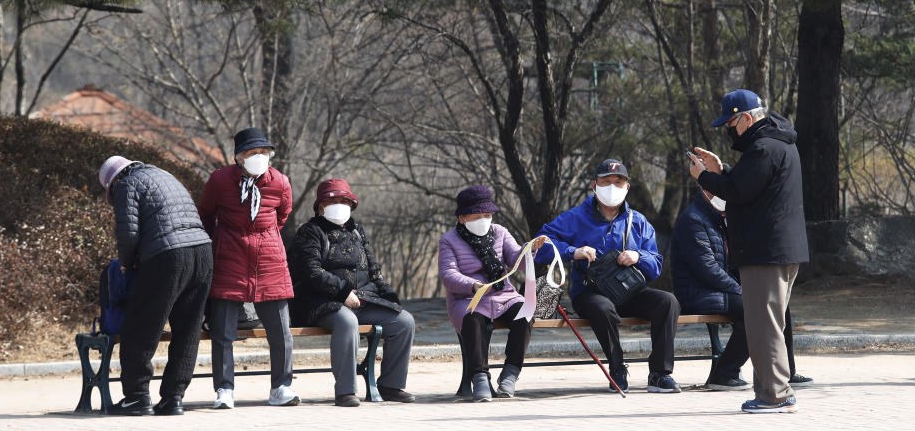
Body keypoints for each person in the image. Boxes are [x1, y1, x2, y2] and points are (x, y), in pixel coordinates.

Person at [688, 88, 809, 413]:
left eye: (730, 122)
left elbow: (737, 192)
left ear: (744, 118)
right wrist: (721, 170)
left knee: (762, 324)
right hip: (779, 249)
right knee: (770, 322)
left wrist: (705, 177)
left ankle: (774, 395)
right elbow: (749, 184)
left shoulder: (763, 149)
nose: (729, 129)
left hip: (764, 251)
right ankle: (778, 389)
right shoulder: (777, 143)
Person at [535, 159, 681, 394]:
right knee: (603, 308)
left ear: (627, 187)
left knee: (668, 302)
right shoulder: (574, 217)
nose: (612, 187)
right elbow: (538, 246)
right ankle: (617, 368)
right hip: (590, 293)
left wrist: (638, 256)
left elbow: (655, 266)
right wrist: (574, 251)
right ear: (594, 185)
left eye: (618, 181)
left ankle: (660, 374)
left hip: (630, 291)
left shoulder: (639, 222)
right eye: (606, 181)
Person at [671, 179, 813, 390]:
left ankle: (787, 371)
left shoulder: (721, 218)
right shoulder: (693, 220)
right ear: (706, 191)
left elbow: (735, 262)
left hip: (721, 291)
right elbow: (707, 269)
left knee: (778, 301)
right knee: (757, 309)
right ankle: (724, 373)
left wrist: (755, 285)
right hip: (699, 293)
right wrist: (743, 290)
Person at [98, 156, 213, 416]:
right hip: (203, 252)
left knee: (140, 327)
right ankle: (173, 398)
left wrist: (127, 263)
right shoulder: (164, 175)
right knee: (188, 328)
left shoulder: (127, 185)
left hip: (168, 255)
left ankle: (137, 397)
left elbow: (128, 233)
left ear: (114, 181)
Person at [197, 128, 299, 409]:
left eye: (263, 153)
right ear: (238, 157)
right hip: (228, 257)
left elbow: (283, 215)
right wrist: (215, 243)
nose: (258, 157)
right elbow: (205, 213)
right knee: (223, 331)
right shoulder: (220, 180)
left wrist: (263, 237)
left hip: (270, 261)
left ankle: (281, 387)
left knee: (281, 331)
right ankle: (224, 389)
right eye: (252, 153)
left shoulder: (280, 181)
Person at [291, 178, 416, 407]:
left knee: (404, 321)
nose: (340, 205)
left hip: (362, 299)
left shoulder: (357, 231)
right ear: (320, 207)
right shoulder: (310, 232)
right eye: (333, 200)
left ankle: (390, 385)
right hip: (320, 302)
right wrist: (343, 292)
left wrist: (389, 298)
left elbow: (374, 271)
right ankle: (346, 391)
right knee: (347, 322)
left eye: (344, 201)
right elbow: (312, 272)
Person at [438, 185, 546, 402]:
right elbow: (448, 274)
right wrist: (472, 285)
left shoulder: (500, 232)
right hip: (468, 298)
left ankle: (511, 373)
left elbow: (515, 259)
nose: (484, 220)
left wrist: (529, 249)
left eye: (487, 215)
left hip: (503, 295)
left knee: (524, 312)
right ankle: (479, 377)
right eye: (477, 216)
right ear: (462, 218)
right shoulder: (449, 240)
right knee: (472, 319)